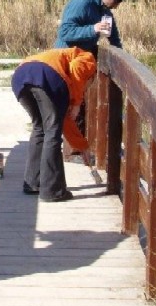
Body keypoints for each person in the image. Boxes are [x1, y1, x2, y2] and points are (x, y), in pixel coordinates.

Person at [11, 47, 97, 202]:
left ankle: (33, 183)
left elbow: (64, 120)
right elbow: (77, 68)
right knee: (52, 132)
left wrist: (81, 145)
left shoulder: (61, 57)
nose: (86, 88)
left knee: (40, 128)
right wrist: (77, 102)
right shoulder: (88, 58)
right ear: (91, 78)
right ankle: (52, 191)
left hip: (20, 76)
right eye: (87, 86)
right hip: (45, 76)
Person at [54, 0, 127, 55]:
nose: (116, 7)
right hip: (65, 57)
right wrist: (93, 29)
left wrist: (121, 57)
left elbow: (114, 39)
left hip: (82, 58)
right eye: (116, 2)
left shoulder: (105, 9)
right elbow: (64, 32)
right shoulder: (83, 3)